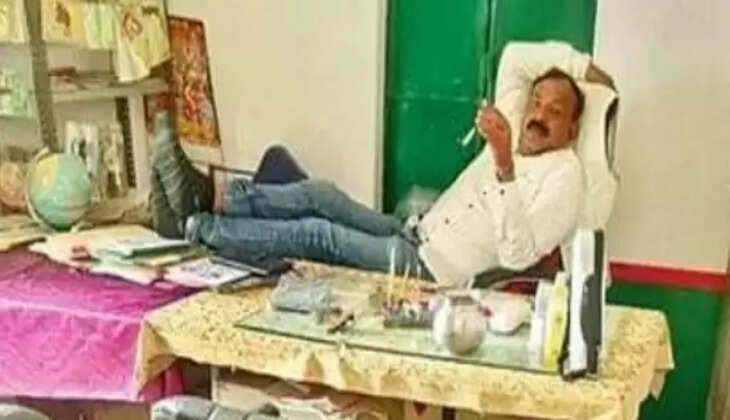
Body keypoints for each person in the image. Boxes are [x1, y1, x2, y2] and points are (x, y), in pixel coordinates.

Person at [150, 41, 613, 287]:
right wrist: (580, 65)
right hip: (413, 230)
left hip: (432, 269)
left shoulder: (567, 177)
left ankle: (196, 228)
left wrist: (504, 164)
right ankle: (207, 195)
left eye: (555, 111)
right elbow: (515, 56)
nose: (538, 115)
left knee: (319, 234)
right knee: (321, 194)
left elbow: (517, 256)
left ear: (573, 129)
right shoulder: (515, 118)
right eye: (536, 102)